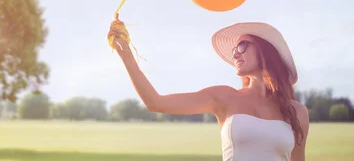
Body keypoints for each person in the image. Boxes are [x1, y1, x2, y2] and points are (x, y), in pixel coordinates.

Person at [108, 21, 309, 161]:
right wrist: (124, 52)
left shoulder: (297, 112)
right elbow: (155, 102)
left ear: (265, 51)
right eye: (234, 50)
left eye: (242, 46)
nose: (235, 54)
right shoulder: (224, 97)